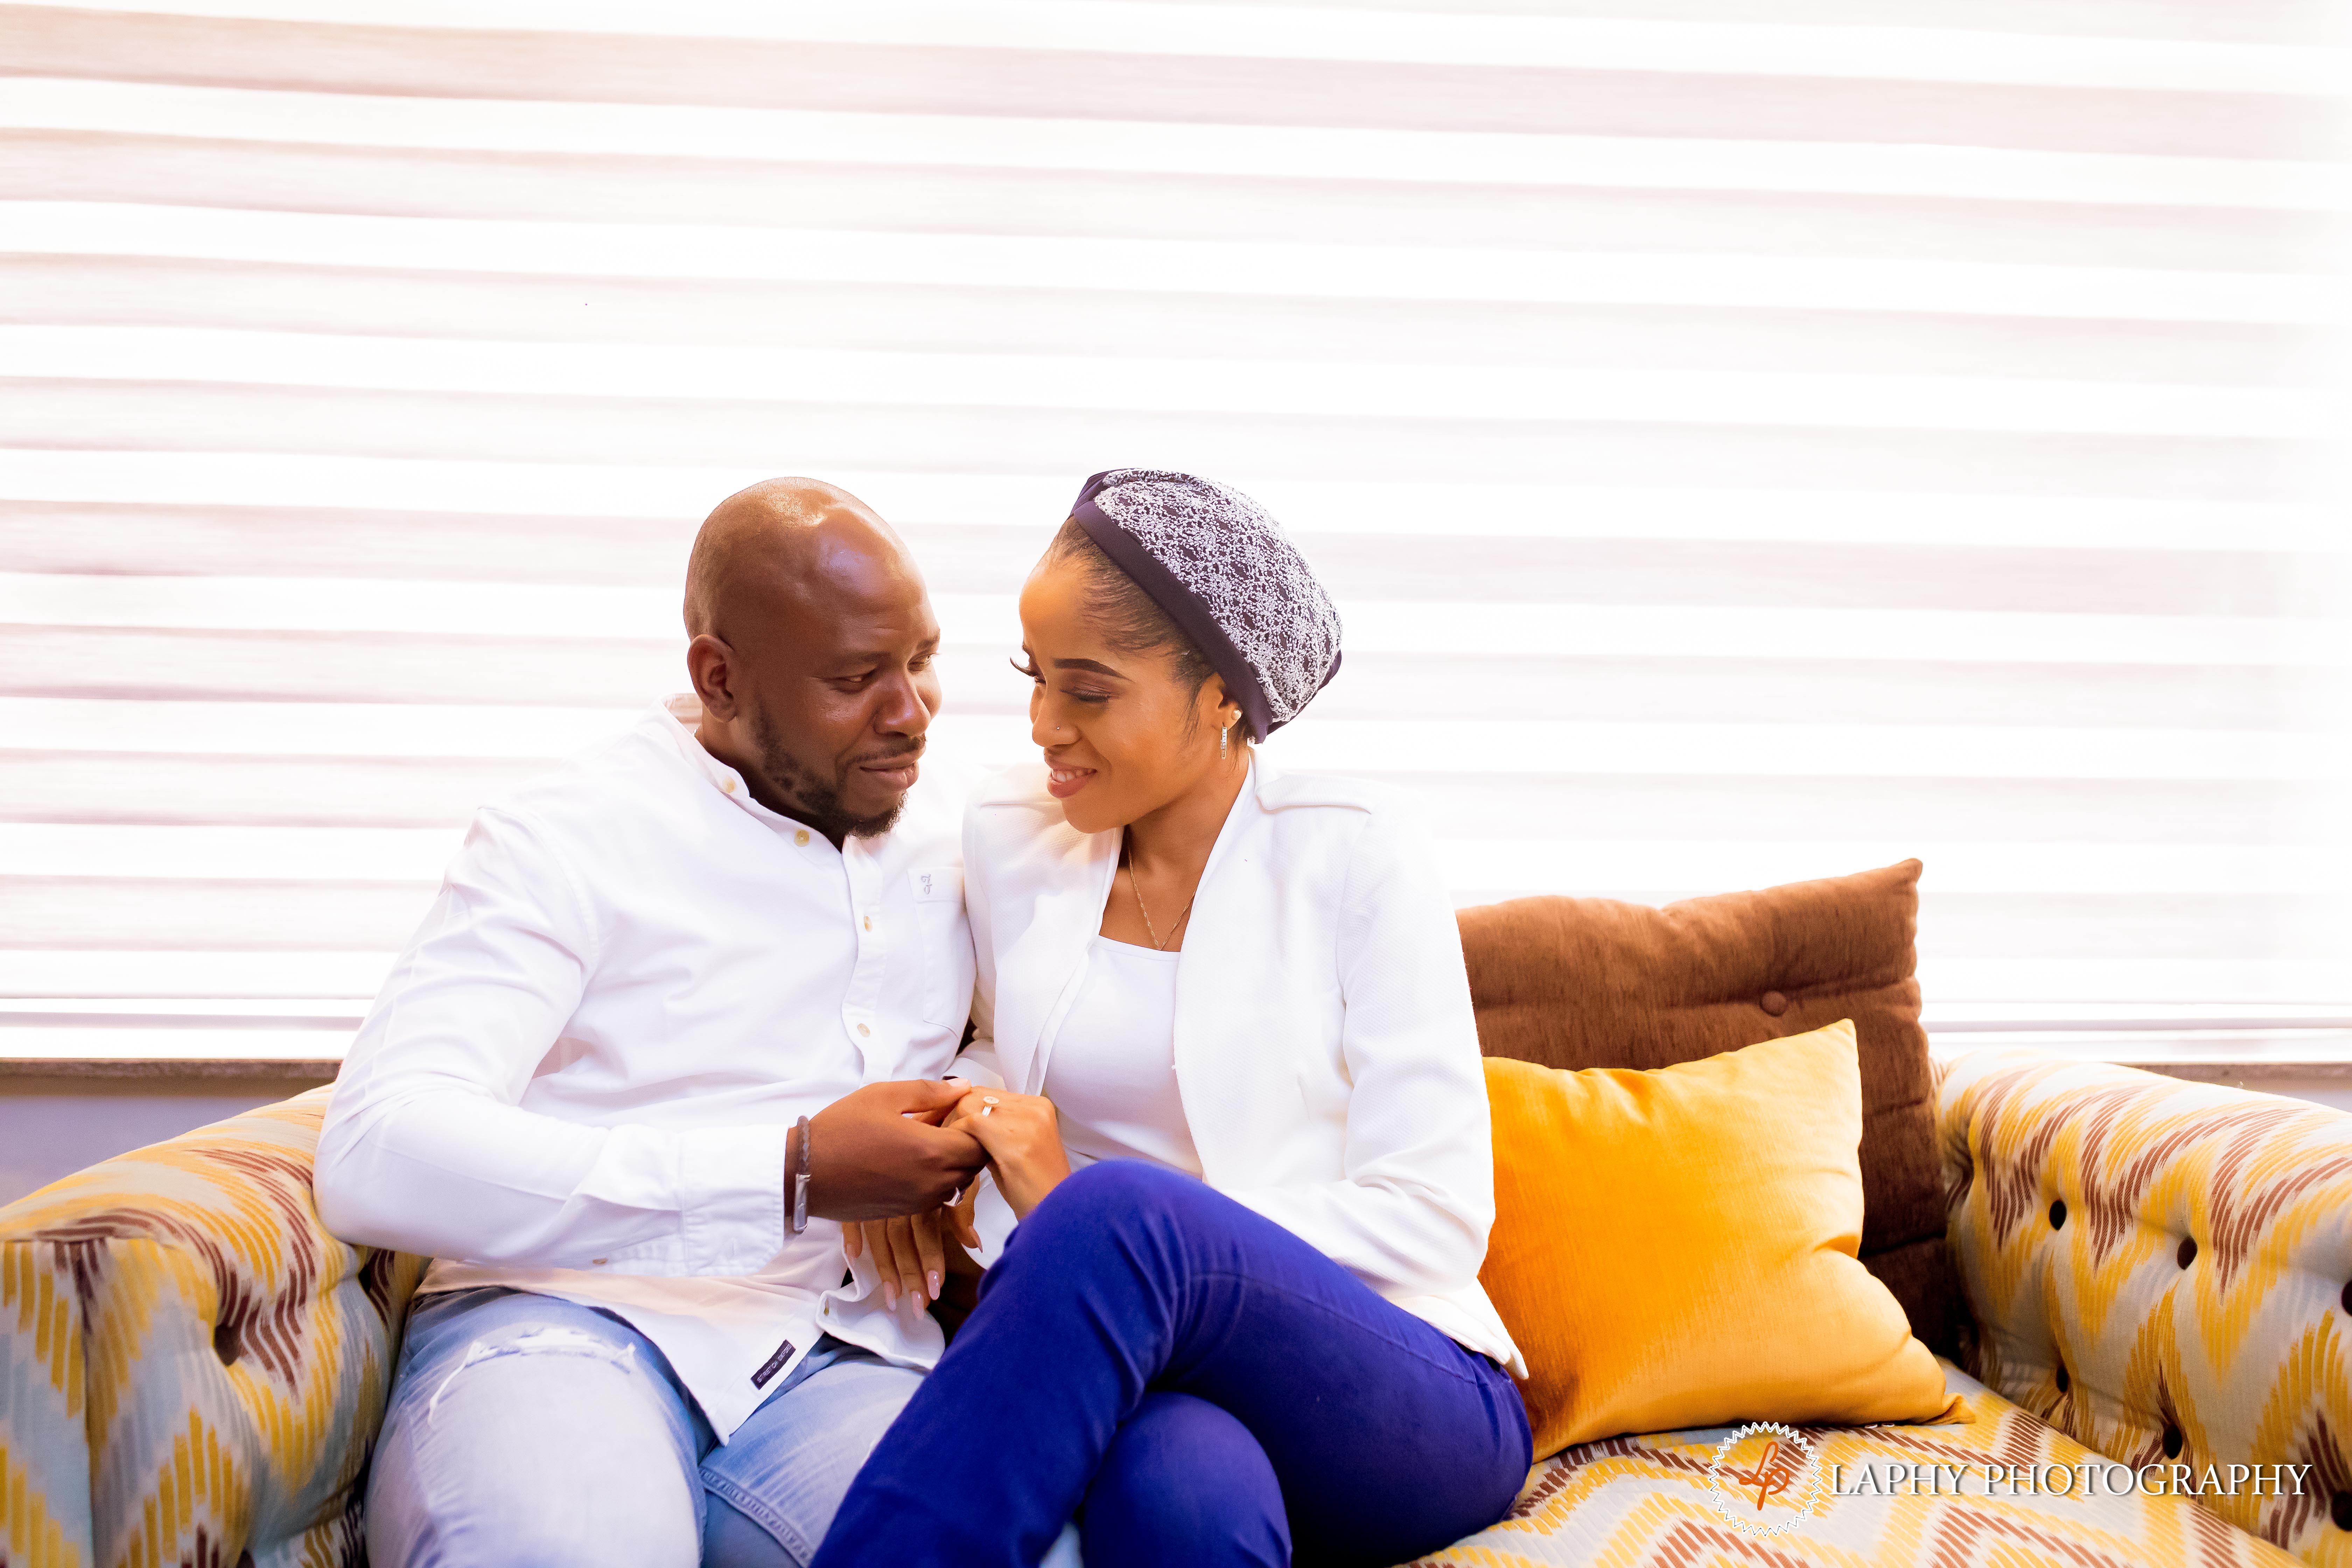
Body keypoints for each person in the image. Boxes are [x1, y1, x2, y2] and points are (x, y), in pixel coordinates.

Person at [818, 470, 1531, 1568]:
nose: (1044, 726)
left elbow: (1434, 1217)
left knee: (1119, 1216)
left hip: (1396, 1384)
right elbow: (997, 1049)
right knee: (1182, 1508)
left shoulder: (1356, 851)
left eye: (1089, 692)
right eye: (1035, 677)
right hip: (1158, 1380)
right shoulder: (1015, 834)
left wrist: (1109, 1221)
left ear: (1221, 699)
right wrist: (956, 1116)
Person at [315, 478, 986, 1568]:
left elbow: (1039, 1035)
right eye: (855, 678)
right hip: (566, 1324)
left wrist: (958, 1117)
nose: (910, 712)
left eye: (922, 660)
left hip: (847, 1355)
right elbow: (379, 1149)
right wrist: (790, 1173)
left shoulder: (968, 828)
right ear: (719, 678)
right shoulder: (564, 837)